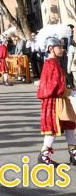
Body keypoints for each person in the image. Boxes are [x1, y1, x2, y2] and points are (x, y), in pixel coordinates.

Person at [36, 25, 76, 166]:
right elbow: (52, 86)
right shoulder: (51, 64)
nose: (62, 48)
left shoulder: (55, 62)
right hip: (54, 101)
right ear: (51, 48)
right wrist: (67, 91)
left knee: (70, 125)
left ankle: (74, 154)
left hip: (61, 99)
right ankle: (44, 155)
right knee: (52, 128)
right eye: (59, 46)